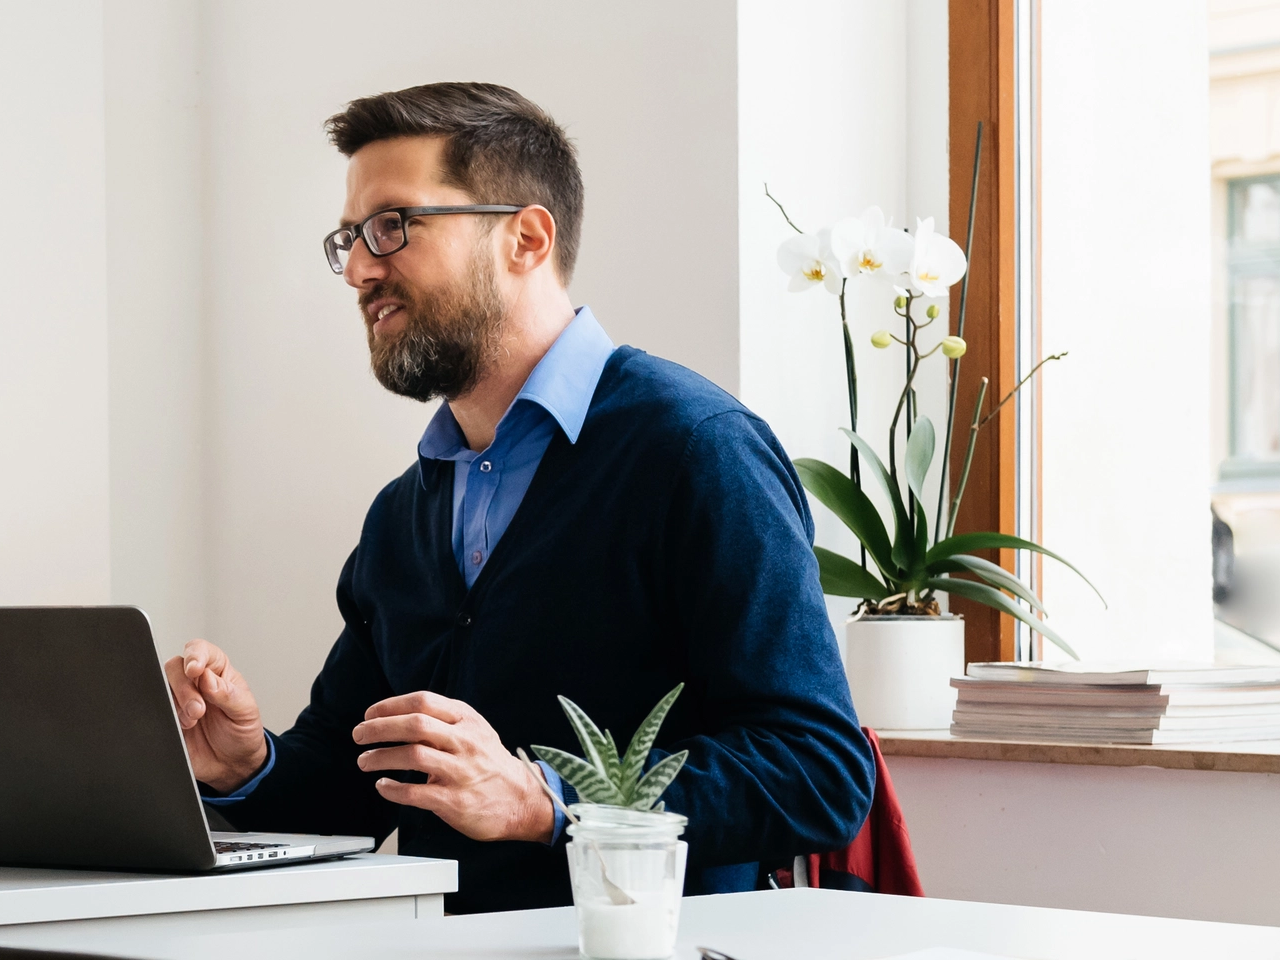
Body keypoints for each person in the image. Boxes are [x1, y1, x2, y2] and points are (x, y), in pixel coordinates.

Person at [158, 83, 873, 914]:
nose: (358, 268)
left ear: (525, 238)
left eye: (392, 226)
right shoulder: (405, 512)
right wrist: (249, 766)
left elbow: (817, 769)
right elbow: (350, 790)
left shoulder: (694, 450)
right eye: (349, 238)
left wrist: (546, 805)